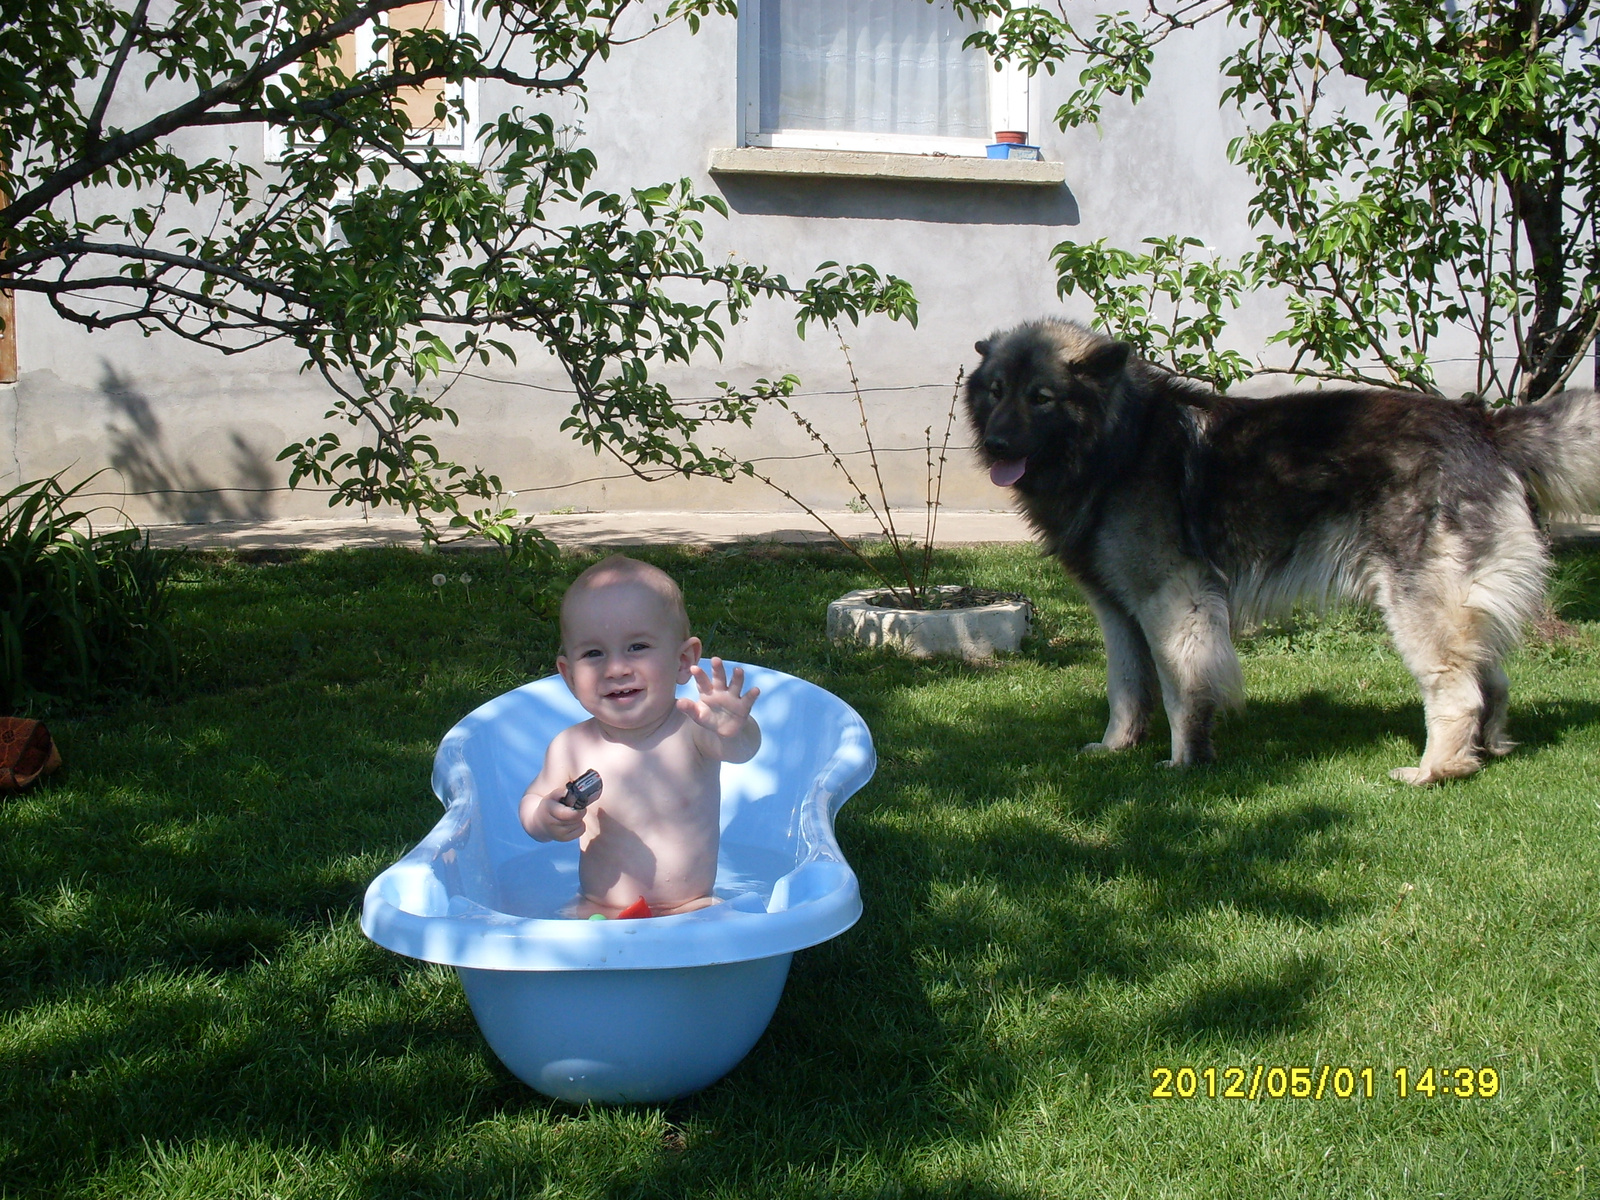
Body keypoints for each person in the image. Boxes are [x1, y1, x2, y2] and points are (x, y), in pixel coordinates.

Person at [519, 555, 761, 917]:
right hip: (597, 907)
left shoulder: (693, 730)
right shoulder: (570, 746)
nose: (616, 669)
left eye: (637, 647)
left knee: (730, 933)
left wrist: (735, 728)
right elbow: (533, 803)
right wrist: (544, 816)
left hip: (690, 907)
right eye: (593, 653)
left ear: (682, 661)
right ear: (569, 676)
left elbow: (742, 751)